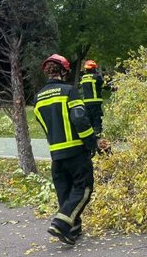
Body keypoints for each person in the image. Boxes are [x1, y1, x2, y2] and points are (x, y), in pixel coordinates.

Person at [34, 54, 99, 245]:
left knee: (66, 192)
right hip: (76, 151)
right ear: (63, 71)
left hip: (56, 154)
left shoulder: (38, 98)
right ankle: (61, 224)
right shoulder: (69, 91)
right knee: (83, 189)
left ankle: (72, 231)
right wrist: (91, 142)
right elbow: (79, 118)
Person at [80, 59, 105, 136]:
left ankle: (91, 134)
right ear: (94, 68)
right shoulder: (96, 77)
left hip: (86, 102)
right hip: (95, 102)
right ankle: (98, 133)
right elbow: (104, 86)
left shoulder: (83, 78)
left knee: (89, 118)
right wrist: (113, 88)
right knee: (97, 118)